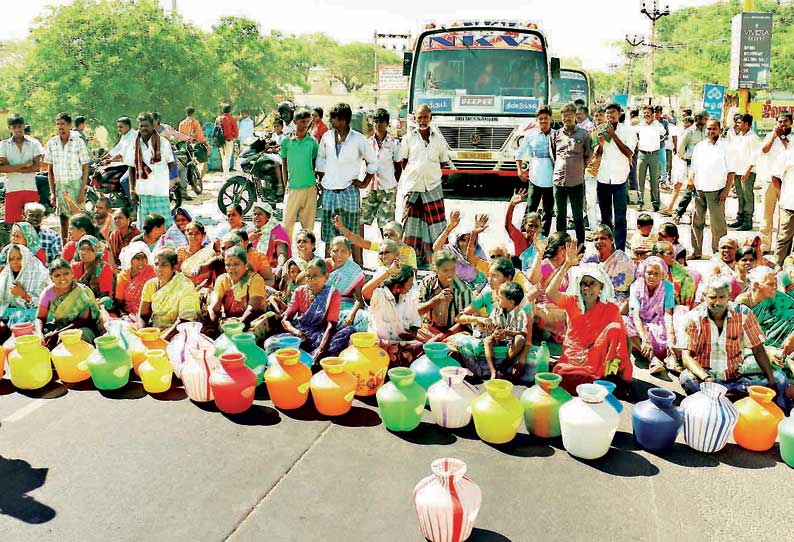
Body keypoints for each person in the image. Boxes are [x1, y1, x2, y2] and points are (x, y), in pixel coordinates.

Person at [680, 275, 793, 412]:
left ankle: (780, 413)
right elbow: (687, 357)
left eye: (722, 297)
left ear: (729, 297)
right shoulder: (693, 319)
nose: (717, 302)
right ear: (704, 296)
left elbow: (758, 349)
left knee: (779, 378)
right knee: (687, 378)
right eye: (712, 297)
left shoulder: (743, 314)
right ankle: (732, 399)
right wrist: (707, 379)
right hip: (707, 377)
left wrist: (771, 380)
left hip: (737, 376)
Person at [545, 244, 632, 395]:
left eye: (592, 284)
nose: (587, 288)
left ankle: (611, 378)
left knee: (615, 329)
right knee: (563, 373)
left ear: (601, 287)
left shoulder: (610, 308)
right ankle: (599, 382)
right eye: (583, 284)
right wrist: (567, 265)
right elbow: (550, 293)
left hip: (597, 358)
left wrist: (620, 369)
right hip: (574, 356)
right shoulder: (572, 301)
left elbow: (624, 341)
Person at [316, 103, 377, 258]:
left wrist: (364, 182)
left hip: (349, 191)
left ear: (343, 120)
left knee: (352, 232)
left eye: (333, 118)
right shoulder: (327, 137)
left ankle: (358, 266)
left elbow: (373, 162)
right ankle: (328, 267)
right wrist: (323, 179)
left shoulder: (358, 139)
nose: (330, 121)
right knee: (329, 233)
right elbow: (321, 160)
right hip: (329, 191)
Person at [266, 258, 357, 363]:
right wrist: (297, 333)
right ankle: (310, 356)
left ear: (326, 277)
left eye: (315, 276)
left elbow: (331, 325)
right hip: (301, 334)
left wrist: (320, 350)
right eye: (308, 276)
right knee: (270, 343)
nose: (311, 280)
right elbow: (285, 319)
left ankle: (316, 357)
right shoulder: (299, 291)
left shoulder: (332, 294)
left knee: (349, 331)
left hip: (322, 334)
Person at [400, 105, 451, 269]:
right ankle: (410, 261)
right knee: (410, 224)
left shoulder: (438, 138)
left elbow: (443, 161)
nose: (422, 121)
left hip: (433, 186)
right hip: (413, 186)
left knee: (437, 226)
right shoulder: (408, 138)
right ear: (415, 118)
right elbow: (403, 161)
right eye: (419, 117)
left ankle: (437, 260)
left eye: (425, 117)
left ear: (430, 118)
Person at [363, 262, 428, 367]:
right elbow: (365, 291)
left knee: (420, 348)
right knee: (387, 358)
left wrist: (410, 332)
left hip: (401, 344)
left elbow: (415, 322)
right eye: (410, 282)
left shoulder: (407, 299)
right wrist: (389, 271)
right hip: (381, 344)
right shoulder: (379, 296)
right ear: (398, 285)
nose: (412, 286)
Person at [689, 119, 733, 259]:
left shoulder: (726, 147)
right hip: (699, 188)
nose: (711, 131)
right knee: (697, 221)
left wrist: (726, 191)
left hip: (716, 190)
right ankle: (696, 251)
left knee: (717, 224)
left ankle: (719, 253)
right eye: (708, 129)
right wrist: (690, 179)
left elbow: (731, 172)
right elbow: (693, 167)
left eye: (714, 129)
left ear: (719, 129)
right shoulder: (700, 146)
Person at [36, 258, 104, 349]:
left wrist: (58, 334)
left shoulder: (81, 292)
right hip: (58, 326)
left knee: (78, 339)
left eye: (66, 273)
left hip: (81, 328)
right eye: (57, 275)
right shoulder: (48, 293)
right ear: (51, 278)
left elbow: (82, 320)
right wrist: (39, 334)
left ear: (72, 274)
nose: (62, 278)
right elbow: (40, 317)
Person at [625, 256, 677, 374]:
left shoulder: (668, 287)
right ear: (644, 272)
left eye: (656, 273)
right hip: (640, 324)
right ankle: (652, 359)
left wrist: (671, 336)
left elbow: (668, 314)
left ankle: (671, 357)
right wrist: (644, 339)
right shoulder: (636, 286)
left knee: (680, 316)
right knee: (623, 321)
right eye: (649, 273)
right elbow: (635, 315)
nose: (652, 277)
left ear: (663, 274)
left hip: (658, 322)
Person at [43, 112, 90, 240]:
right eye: (58, 124)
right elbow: (50, 170)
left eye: (63, 124)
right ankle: (66, 249)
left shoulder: (78, 142)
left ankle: (80, 248)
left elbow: (85, 167)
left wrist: (82, 191)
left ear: (69, 125)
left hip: (76, 185)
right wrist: (52, 193)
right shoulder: (52, 143)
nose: (60, 127)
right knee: (63, 220)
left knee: (79, 220)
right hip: (60, 187)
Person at [550, 103, 592, 247]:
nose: (567, 118)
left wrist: (578, 168)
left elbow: (588, 156)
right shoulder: (556, 134)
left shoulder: (584, 135)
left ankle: (580, 246)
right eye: (564, 115)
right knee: (560, 216)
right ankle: (560, 246)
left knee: (578, 216)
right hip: (559, 182)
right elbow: (553, 155)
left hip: (576, 182)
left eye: (570, 115)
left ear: (575, 116)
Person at [596, 103, 636, 251]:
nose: (609, 115)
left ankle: (619, 250)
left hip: (619, 178)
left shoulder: (628, 131)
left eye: (613, 112)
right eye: (607, 113)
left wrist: (613, 135)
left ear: (619, 114)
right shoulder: (601, 130)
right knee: (605, 217)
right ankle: (607, 249)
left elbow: (629, 153)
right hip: (603, 177)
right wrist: (600, 145)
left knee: (620, 217)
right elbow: (597, 155)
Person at [125, 113, 175, 230]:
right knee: (146, 228)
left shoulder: (163, 143)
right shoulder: (134, 144)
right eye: (141, 126)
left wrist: (158, 175)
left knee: (163, 225)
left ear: (153, 126)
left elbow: (170, 163)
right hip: (143, 191)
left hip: (160, 191)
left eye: (146, 126)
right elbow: (132, 167)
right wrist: (132, 189)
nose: (143, 129)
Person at [736, 267, 794, 367]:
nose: (775, 287)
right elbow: (739, 341)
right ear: (756, 285)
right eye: (770, 284)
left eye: (776, 283)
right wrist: (767, 352)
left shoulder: (776, 296)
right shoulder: (741, 306)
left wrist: (792, 336)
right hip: (751, 348)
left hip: (773, 342)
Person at [139, 247, 201, 338]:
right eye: (156, 264)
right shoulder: (150, 285)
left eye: (164, 265)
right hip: (156, 330)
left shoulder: (185, 286)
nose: (159, 269)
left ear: (174, 267)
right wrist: (143, 334)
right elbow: (143, 315)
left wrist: (162, 339)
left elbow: (184, 320)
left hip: (177, 332)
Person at [360, 108, 402, 235]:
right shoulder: (366, 143)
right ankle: (358, 253)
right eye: (376, 121)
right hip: (370, 188)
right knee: (360, 221)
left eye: (382, 121)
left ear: (387, 123)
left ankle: (387, 250)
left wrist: (392, 183)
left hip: (387, 189)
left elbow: (398, 167)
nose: (379, 124)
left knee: (387, 225)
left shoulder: (394, 143)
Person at [207, 246, 266, 336]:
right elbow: (215, 307)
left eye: (236, 264)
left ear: (245, 265)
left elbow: (253, 308)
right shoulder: (222, 279)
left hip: (251, 321)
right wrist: (212, 327)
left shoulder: (255, 279)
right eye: (228, 265)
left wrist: (240, 324)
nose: (231, 268)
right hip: (231, 321)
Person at [515, 105, 554, 236]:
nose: (543, 121)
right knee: (530, 208)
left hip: (552, 180)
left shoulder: (557, 135)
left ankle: (544, 238)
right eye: (541, 118)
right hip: (535, 179)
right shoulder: (531, 135)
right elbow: (519, 153)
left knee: (548, 212)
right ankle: (523, 236)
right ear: (537, 120)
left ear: (551, 119)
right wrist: (519, 170)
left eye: (546, 118)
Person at [417, 248, 472, 340]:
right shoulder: (428, 282)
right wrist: (436, 300)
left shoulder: (463, 289)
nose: (450, 274)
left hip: (453, 332)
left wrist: (443, 336)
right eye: (445, 270)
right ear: (436, 269)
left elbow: (464, 321)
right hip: (430, 328)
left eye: (452, 270)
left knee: (462, 340)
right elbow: (417, 311)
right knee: (408, 330)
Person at [281, 109, 319, 241]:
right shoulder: (286, 141)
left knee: (308, 228)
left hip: (310, 187)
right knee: (287, 225)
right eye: (303, 121)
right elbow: (284, 164)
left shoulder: (313, 142)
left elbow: (314, 164)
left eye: (308, 121)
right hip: (293, 188)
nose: (306, 124)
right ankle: (286, 257)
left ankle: (306, 256)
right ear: (295, 121)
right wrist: (286, 184)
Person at [480, 281, 529, 380]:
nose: (498, 298)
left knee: (520, 339)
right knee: (487, 340)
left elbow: (523, 333)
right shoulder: (496, 310)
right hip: (498, 339)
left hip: (511, 342)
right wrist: (494, 332)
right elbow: (491, 326)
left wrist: (507, 333)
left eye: (501, 297)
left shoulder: (520, 313)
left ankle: (504, 366)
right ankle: (493, 371)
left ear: (511, 302)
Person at [0, 114, 42, 225]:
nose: (17, 130)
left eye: (19, 126)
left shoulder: (34, 143)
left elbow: (37, 166)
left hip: (30, 187)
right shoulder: (3, 145)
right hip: (13, 188)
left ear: (24, 126)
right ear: (10, 128)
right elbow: (1, 168)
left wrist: (12, 168)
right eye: (14, 127)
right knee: (13, 224)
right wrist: (24, 165)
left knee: (33, 224)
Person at [759, 113, 792, 252]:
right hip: (770, 179)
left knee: (784, 215)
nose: (782, 124)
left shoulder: (792, 137)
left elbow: (790, 151)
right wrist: (774, 136)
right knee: (767, 214)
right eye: (779, 122)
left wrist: (782, 136)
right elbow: (764, 150)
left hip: (788, 182)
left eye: (785, 122)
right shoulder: (770, 135)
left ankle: (781, 246)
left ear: (791, 123)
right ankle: (765, 245)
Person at [582, 224, 635, 308]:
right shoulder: (590, 259)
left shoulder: (622, 259)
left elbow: (631, 284)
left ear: (612, 240)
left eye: (603, 238)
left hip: (617, 300)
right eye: (596, 239)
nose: (599, 242)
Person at [0, 244, 49, 334]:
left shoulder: (38, 274)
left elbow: (44, 304)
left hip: (33, 315)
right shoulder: (5, 275)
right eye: (11, 259)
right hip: (9, 315)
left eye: (19, 258)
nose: (15, 262)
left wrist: (24, 295)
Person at [333, 216, 417, 268]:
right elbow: (359, 241)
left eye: (392, 234)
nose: (388, 238)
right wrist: (341, 228)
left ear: (401, 236)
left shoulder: (409, 251)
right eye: (385, 235)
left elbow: (413, 272)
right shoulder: (381, 246)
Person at [669, 111, 708, 223]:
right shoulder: (689, 132)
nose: (706, 121)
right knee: (690, 188)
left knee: (700, 189)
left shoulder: (706, 131)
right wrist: (687, 158)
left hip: (704, 163)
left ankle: (694, 214)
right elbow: (681, 148)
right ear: (699, 118)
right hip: (692, 163)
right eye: (705, 119)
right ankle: (679, 211)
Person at [432, 210, 486, 290]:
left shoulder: (479, 255)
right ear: (457, 241)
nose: (466, 244)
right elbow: (436, 248)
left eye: (470, 240)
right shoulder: (452, 252)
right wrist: (449, 229)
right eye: (463, 240)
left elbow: (484, 281)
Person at [326, 236, 366, 331]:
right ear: (330, 251)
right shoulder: (322, 265)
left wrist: (351, 316)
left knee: (365, 317)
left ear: (349, 253)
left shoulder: (354, 270)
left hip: (345, 308)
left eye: (343, 251)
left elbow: (360, 300)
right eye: (335, 251)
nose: (339, 255)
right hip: (322, 305)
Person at [728, 113, 760, 231]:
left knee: (747, 195)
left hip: (747, 172)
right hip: (737, 170)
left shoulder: (753, 138)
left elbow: (755, 156)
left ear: (746, 124)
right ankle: (740, 218)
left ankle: (748, 221)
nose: (737, 124)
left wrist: (748, 171)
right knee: (740, 195)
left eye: (739, 122)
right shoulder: (739, 136)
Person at [635, 106, 666, 212]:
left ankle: (656, 203)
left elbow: (664, 133)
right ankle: (640, 202)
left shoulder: (658, 125)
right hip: (642, 155)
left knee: (654, 180)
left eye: (648, 113)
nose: (646, 115)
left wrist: (655, 121)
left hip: (654, 155)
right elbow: (635, 134)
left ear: (652, 114)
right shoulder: (640, 125)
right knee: (640, 180)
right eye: (644, 113)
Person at [505, 190, 545, 272]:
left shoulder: (544, 241)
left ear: (540, 227)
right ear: (525, 225)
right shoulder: (520, 237)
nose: (533, 229)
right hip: (519, 274)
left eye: (536, 226)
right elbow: (508, 225)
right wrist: (512, 205)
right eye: (530, 225)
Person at [114, 241, 155, 319]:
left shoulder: (152, 272)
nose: (141, 262)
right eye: (137, 258)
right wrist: (124, 315)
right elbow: (119, 303)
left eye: (144, 258)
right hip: (130, 315)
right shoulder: (123, 276)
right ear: (130, 259)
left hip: (151, 313)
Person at [71, 235, 114, 308]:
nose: (84, 252)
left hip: (96, 303)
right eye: (82, 249)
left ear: (96, 251)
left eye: (89, 249)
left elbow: (104, 295)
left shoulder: (104, 268)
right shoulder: (74, 267)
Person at [177, 221, 220, 290]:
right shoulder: (180, 252)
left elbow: (210, 278)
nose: (193, 236)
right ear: (186, 235)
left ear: (203, 235)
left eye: (197, 233)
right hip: (182, 288)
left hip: (203, 289)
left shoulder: (209, 253)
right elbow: (175, 274)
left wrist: (198, 288)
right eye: (190, 234)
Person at [248, 202, 290, 269]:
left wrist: (280, 267)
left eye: (260, 214)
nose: (256, 217)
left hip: (271, 269)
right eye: (255, 214)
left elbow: (282, 254)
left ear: (268, 216)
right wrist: (248, 240)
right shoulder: (251, 232)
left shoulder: (277, 231)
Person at [774, 134, 794, 266]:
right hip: (789, 203)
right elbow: (775, 178)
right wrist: (782, 195)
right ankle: (778, 267)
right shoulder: (787, 155)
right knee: (784, 239)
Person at [216, 103, 238, 175]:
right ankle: (226, 174)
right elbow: (236, 132)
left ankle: (224, 173)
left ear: (223, 110)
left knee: (223, 158)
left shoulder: (218, 119)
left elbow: (215, 130)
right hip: (228, 140)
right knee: (228, 158)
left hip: (220, 140)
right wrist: (233, 137)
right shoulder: (232, 119)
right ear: (230, 111)